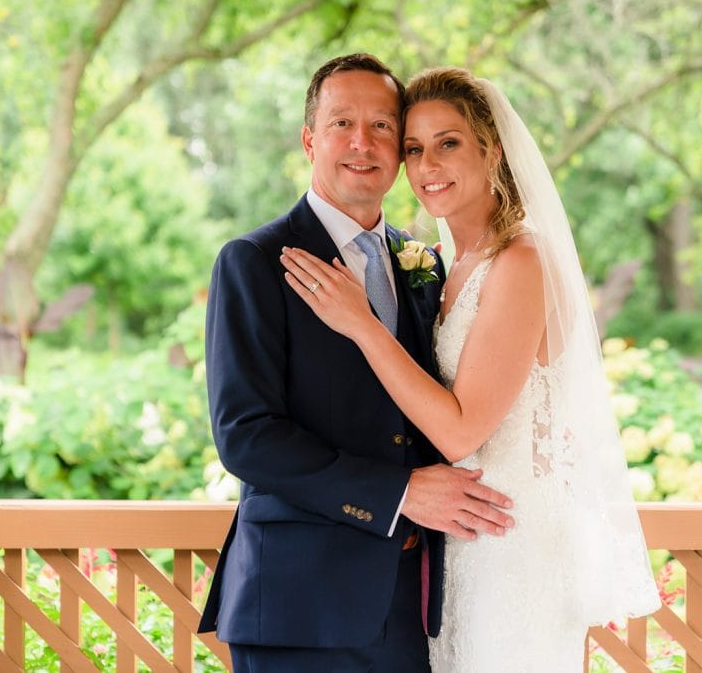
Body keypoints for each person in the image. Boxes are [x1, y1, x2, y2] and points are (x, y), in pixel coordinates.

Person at [281, 66, 662, 670]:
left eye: (448, 144)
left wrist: (361, 323)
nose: (428, 165)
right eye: (414, 149)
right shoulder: (443, 265)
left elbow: (460, 432)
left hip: (513, 549)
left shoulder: (520, 261)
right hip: (457, 548)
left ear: (494, 152)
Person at [197, 54, 515, 673]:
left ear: (400, 150)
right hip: (298, 605)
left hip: (410, 608)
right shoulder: (254, 262)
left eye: (382, 127)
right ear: (310, 138)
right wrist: (398, 492)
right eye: (343, 123)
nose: (362, 143)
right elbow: (246, 437)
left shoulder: (423, 265)